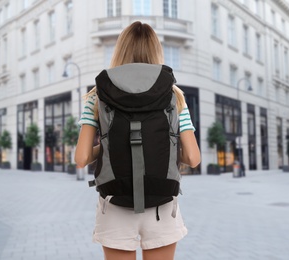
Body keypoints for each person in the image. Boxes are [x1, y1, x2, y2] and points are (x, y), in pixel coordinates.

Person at [75, 21, 200, 260]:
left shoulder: (98, 95)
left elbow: (81, 158)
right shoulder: (174, 96)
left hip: (114, 202)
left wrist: (108, 145)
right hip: (162, 204)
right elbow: (193, 158)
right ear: (156, 51)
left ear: (120, 51)